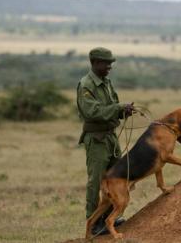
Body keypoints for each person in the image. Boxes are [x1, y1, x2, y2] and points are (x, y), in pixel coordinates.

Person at [77, 47, 134, 235]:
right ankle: (92, 224)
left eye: (111, 63)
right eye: (106, 63)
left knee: (116, 179)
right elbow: (92, 112)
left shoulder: (107, 83)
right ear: (94, 63)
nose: (110, 67)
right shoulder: (86, 85)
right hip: (96, 139)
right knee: (96, 182)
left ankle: (110, 218)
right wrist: (117, 107)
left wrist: (123, 111)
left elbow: (111, 107)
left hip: (110, 137)